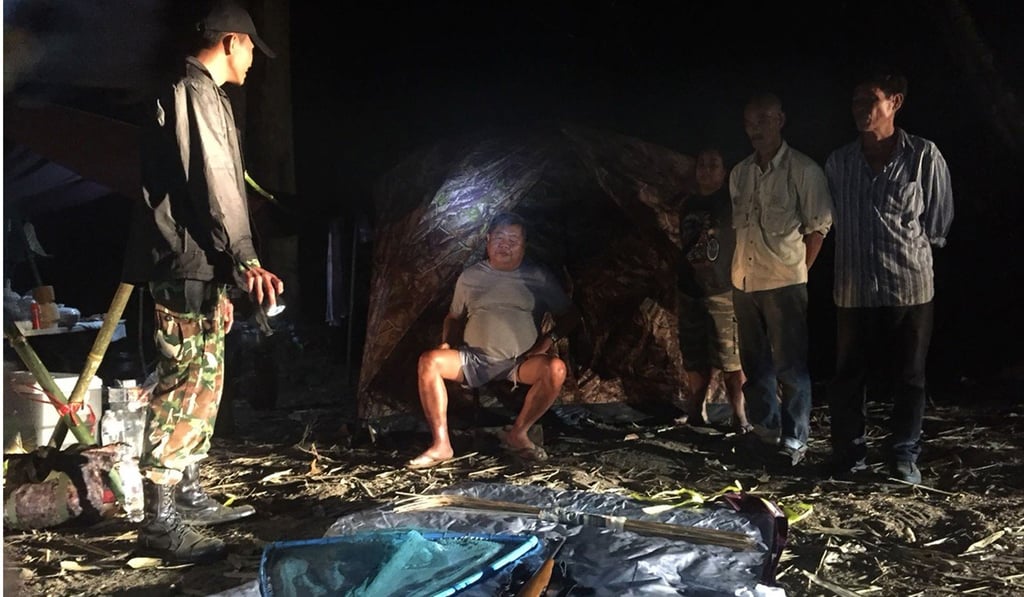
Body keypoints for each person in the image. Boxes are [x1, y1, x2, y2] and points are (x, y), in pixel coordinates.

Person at [121, 0, 282, 563]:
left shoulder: (203, 95)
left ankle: (186, 494)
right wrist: (243, 258)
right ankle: (161, 525)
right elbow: (213, 185)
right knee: (184, 386)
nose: (253, 63)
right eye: (251, 52)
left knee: (203, 382)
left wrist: (225, 280)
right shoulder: (192, 94)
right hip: (186, 265)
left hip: (200, 268)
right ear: (232, 41)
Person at [824, 69, 954, 484]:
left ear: (894, 102)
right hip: (853, 285)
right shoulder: (839, 162)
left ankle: (902, 454)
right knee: (848, 375)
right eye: (856, 101)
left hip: (909, 286)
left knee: (909, 376)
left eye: (871, 100)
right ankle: (849, 456)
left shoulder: (922, 155)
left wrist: (910, 256)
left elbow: (937, 222)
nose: (861, 109)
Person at [407, 213, 581, 469]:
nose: (505, 245)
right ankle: (441, 444)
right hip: (473, 359)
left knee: (556, 369)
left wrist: (547, 341)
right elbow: (454, 317)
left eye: (513, 239)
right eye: (499, 238)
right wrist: (447, 342)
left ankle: (518, 433)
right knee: (429, 361)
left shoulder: (538, 278)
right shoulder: (470, 277)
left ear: (524, 244)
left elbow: (570, 315)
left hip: (519, 363)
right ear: (488, 241)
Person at [730, 92, 834, 467]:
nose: (755, 128)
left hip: (784, 282)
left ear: (780, 120)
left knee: (790, 365)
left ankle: (794, 439)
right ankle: (765, 431)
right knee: (755, 365)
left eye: (763, 119)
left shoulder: (803, 170)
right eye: (749, 122)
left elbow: (817, 228)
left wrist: (798, 273)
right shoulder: (739, 173)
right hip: (744, 281)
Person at [676, 147, 750, 433]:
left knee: (730, 358)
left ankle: (739, 416)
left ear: (724, 171)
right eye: (702, 165)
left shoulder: (731, 203)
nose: (706, 170)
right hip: (690, 290)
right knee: (695, 356)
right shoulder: (688, 204)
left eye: (713, 165)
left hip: (722, 291)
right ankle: (697, 411)